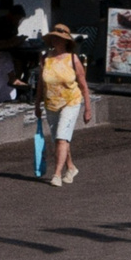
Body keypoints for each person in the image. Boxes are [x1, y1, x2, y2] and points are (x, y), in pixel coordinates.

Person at [35, 24, 91, 186]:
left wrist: (87, 108)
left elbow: (83, 85)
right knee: (61, 140)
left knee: (61, 138)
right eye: (54, 38)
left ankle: (57, 174)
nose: (56, 40)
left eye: (59, 38)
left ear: (66, 41)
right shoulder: (46, 58)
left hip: (70, 102)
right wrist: (37, 104)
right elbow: (41, 83)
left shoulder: (73, 59)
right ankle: (71, 167)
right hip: (51, 104)